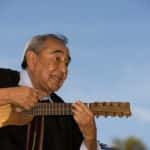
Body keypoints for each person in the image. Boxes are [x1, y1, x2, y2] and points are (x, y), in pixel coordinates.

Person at [0, 34, 101, 150]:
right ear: (32, 59)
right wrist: (7, 95)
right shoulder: (3, 78)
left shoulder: (65, 116)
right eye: (57, 59)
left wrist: (90, 138)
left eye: (66, 63)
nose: (64, 70)